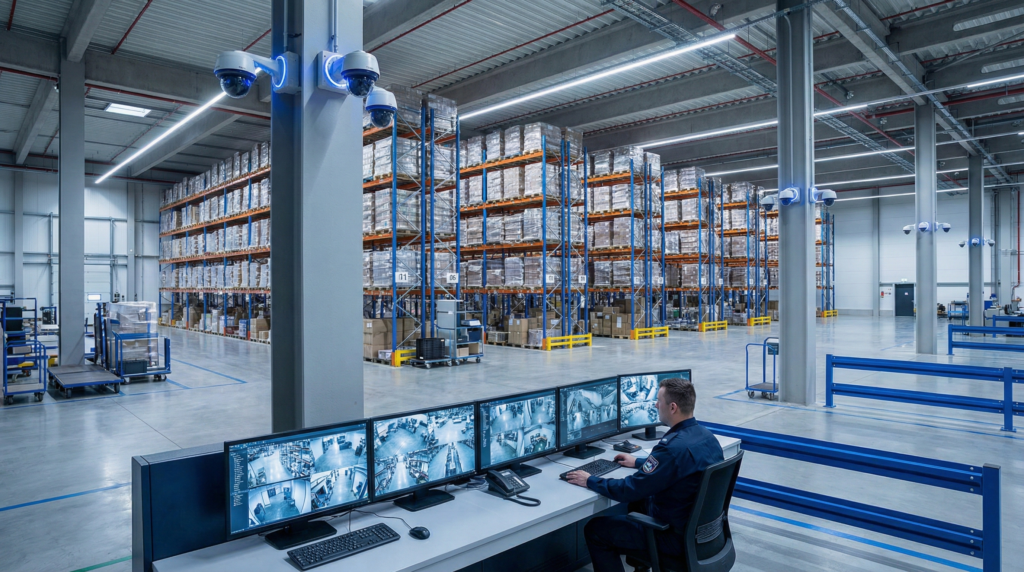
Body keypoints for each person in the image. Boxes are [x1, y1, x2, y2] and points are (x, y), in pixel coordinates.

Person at [565, 378, 724, 572]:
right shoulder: (707, 437)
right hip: (704, 535)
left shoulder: (671, 448)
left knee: (595, 529)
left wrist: (590, 480)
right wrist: (638, 462)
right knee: (639, 505)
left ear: (672, 407)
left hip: (672, 539)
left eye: (659, 401)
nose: (656, 405)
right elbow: (676, 465)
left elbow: (629, 489)